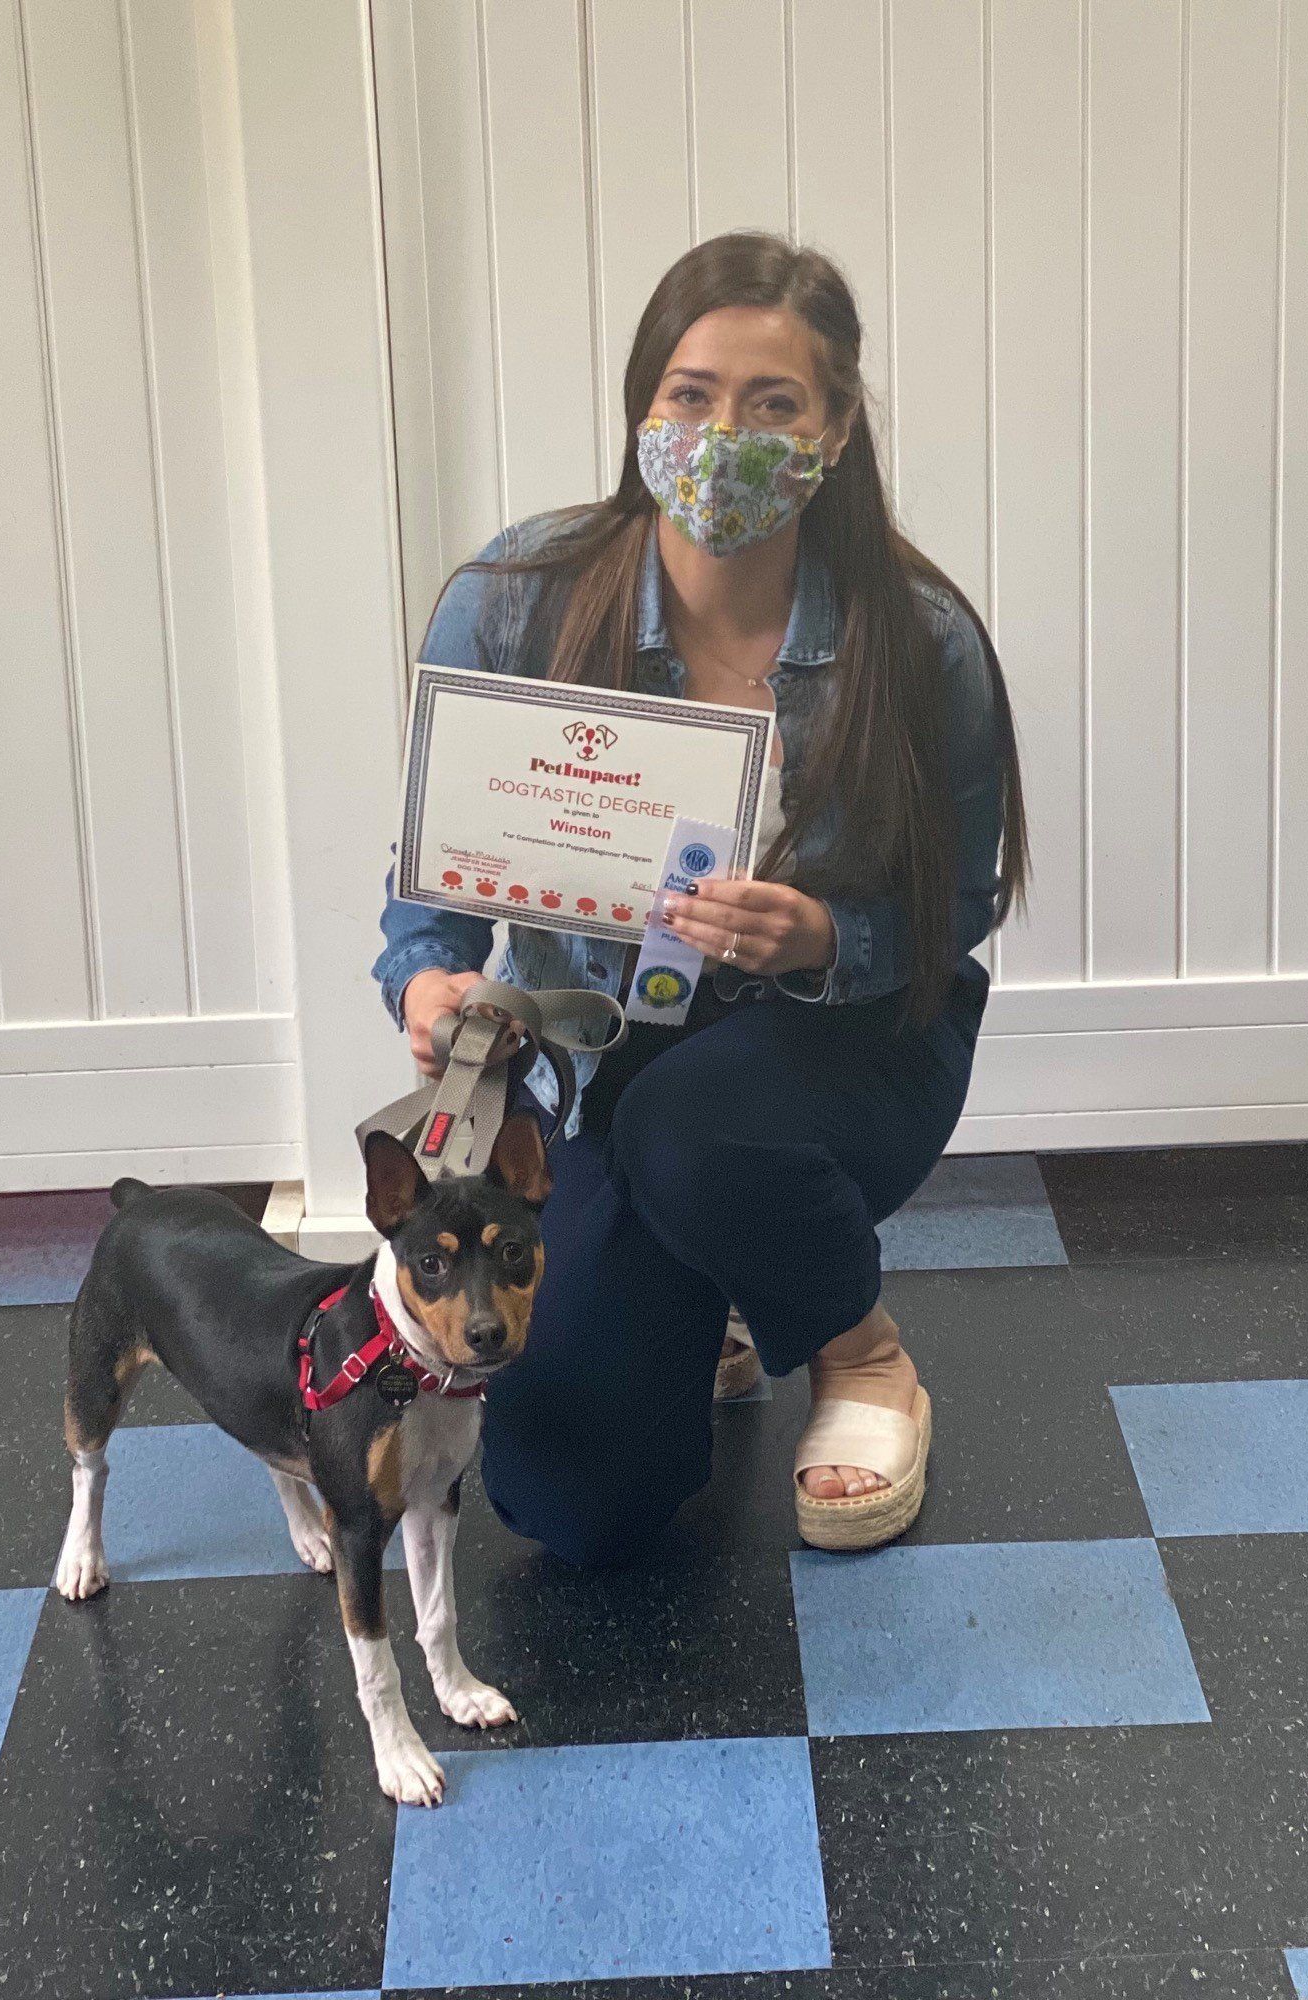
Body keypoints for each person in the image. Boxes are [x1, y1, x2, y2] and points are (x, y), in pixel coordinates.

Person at [371, 230, 1028, 1566]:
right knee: (575, 1505)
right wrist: (424, 981)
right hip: (606, 1052)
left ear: (837, 427)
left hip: (845, 1044)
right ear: (640, 409)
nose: (723, 435)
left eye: (773, 403)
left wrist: (824, 934)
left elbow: (956, 905)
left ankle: (860, 1352)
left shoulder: (919, 639)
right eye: (691, 393)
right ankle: (716, 1279)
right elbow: (432, 885)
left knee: (694, 1129)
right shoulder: (517, 604)